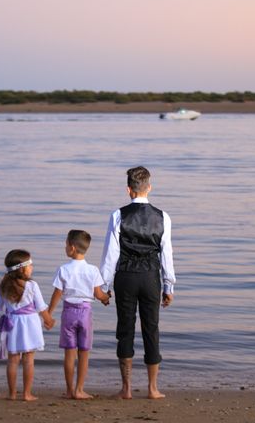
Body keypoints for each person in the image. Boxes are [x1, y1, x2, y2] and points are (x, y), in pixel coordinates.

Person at [100, 166, 176, 399]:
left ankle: (126, 389)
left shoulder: (117, 215)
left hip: (125, 276)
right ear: (149, 188)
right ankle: (153, 388)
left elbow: (111, 255)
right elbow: (166, 254)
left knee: (125, 329)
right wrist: (168, 286)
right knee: (151, 329)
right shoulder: (163, 217)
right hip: (151, 277)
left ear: (128, 190)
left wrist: (104, 287)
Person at [46, 230, 110, 399]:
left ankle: (69, 390)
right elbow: (98, 294)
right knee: (83, 352)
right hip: (85, 313)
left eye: (66, 244)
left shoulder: (63, 269)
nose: (65, 247)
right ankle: (79, 390)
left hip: (68, 312)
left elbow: (57, 294)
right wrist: (106, 298)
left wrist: (49, 314)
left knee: (69, 352)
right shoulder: (93, 270)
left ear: (72, 248)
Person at [0, 249, 54, 401]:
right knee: (28, 360)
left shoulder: (3, 286)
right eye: (30, 265)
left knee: (12, 360)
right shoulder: (32, 286)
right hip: (30, 324)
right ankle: (26, 394)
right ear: (22, 268)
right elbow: (40, 307)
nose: (32, 267)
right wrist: (48, 320)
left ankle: (12, 394)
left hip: (12, 324)